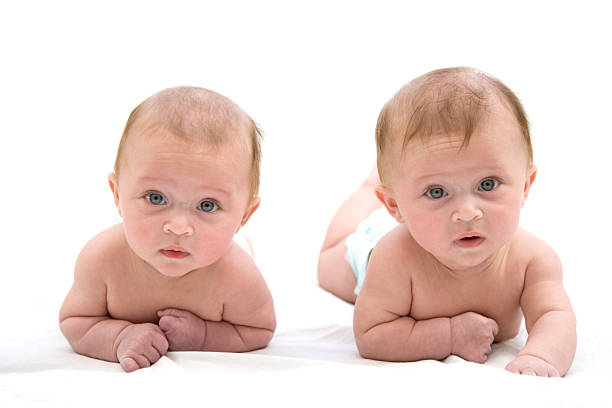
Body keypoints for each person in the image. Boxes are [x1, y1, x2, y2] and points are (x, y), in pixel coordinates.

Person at [317, 67, 576, 377]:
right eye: (437, 191)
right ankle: (369, 188)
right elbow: (371, 335)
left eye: (488, 184)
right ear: (395, 206)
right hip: (368, 251)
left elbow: (555, 315)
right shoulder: (392, 259)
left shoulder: (533, 260)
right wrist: (449, 335)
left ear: (524, 186)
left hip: (419, 229)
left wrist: (541, 357)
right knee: (329, 263)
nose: (467, 212)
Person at [59, 86, 276, 372]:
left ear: (244, 216)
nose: (178, 227)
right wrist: (119, 337)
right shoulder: (103, 258)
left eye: (207, 205)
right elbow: (75, 321)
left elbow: (257, 330)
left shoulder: (238, 276)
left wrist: (204, 336)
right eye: (155, 198)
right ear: (117, 195)